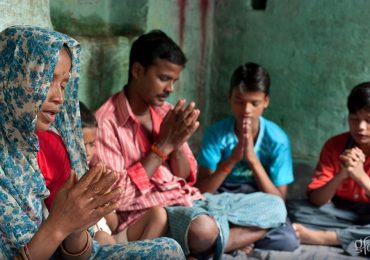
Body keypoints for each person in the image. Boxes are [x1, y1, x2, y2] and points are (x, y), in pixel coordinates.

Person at [95, 29, 288, 259]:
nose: (171, 89)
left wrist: (177, 144)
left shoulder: (166, 112)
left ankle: (211, 243)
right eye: (164, 78)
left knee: (276, 206)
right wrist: (161, 148)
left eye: (174, 80)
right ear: (138, 71)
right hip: (156, 214)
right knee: (204, 229)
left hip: (194, 200)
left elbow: (188, 178)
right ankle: (214, 240)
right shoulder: (107, 123)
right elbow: (117, 198)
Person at [0, 26, 185, 259]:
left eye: (64, 85)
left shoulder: (50, 144)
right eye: (48, 80)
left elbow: (80, 254)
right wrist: (59, 225)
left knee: (169, 250)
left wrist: (77, 225)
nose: (59, 97)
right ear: (11, 77)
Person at [195, 62, 298, 251]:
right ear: (230, 98)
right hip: (221, 196)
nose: (246, 110)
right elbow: (201, 189)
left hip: (258, 198)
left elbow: (279, 198)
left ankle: (227, 239)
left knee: (287, 240)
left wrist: (252, 160)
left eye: (255, 103)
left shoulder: (277, 139)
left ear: (266, 101)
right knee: (196, 212)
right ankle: (239, 238)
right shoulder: (216, 133)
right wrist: (232, 160)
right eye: (239, 101)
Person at [288, 82, 370, 256]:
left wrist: (361, 177)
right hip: (339, 213)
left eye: (369, 120)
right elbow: (317, 201)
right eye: (354, 119)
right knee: (294, 210)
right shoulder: (335, 145)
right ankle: (354, 241)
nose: (361, 127)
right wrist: (342, 174)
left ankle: (328, 238)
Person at [79, 101, 169, 245]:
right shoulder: (69, 178)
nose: (88, 152)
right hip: (92, 244)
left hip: (112, 238)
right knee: (102, 237)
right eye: (82, 145)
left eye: (92, 144)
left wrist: (105, 199)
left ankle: (137, 254)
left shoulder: (95, 174)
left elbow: (114, 225)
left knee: (158, 215)